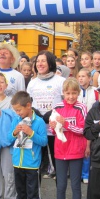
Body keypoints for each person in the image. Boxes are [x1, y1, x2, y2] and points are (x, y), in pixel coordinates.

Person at [50, 78, 87, 199]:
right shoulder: (57, 107)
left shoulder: (81, 108)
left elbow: (83, 130)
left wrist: (66, 124)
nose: (71, 96)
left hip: (76, 152)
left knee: (75, 185)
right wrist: (54, 127)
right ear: (63, 93)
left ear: (78, 93)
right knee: (61, 185)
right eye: (68, 93)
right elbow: (54, 130)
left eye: (74, 93)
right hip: (60, 151)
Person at [8, 91, 48, 199]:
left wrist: (31, 133)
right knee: (20, 191)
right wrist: (14, 132)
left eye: (19, 110)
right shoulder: (16, 119)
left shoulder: (39, 121)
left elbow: (43, 141)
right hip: (17, 163)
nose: (17, 113)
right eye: (15, 110)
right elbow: (8, 138)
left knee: (33, 191)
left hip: (32, 164)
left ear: (29, 105)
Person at [27, 51, 65, 179]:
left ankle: (60, 197)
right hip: (37, 128)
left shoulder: (60, 81)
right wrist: (34, 111)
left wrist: (54, 113)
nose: (40, 64)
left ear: (50, 63)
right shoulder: (32, 82)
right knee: (36, 166)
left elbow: (67, 103)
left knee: (57, 164)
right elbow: (29, 103)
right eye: (38, 61)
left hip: (54, 129)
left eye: (43, 61)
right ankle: (35, 198)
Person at [77, 69, 98, 186]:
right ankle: (77, 172)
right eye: (79, 76)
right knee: (78, 147)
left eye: (83, 76)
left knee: (87, 149)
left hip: (90, 124)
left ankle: (86, 174)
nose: (81, 78)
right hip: (77, 124)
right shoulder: (75, 91)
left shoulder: (95, 91)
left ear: (90, 78)